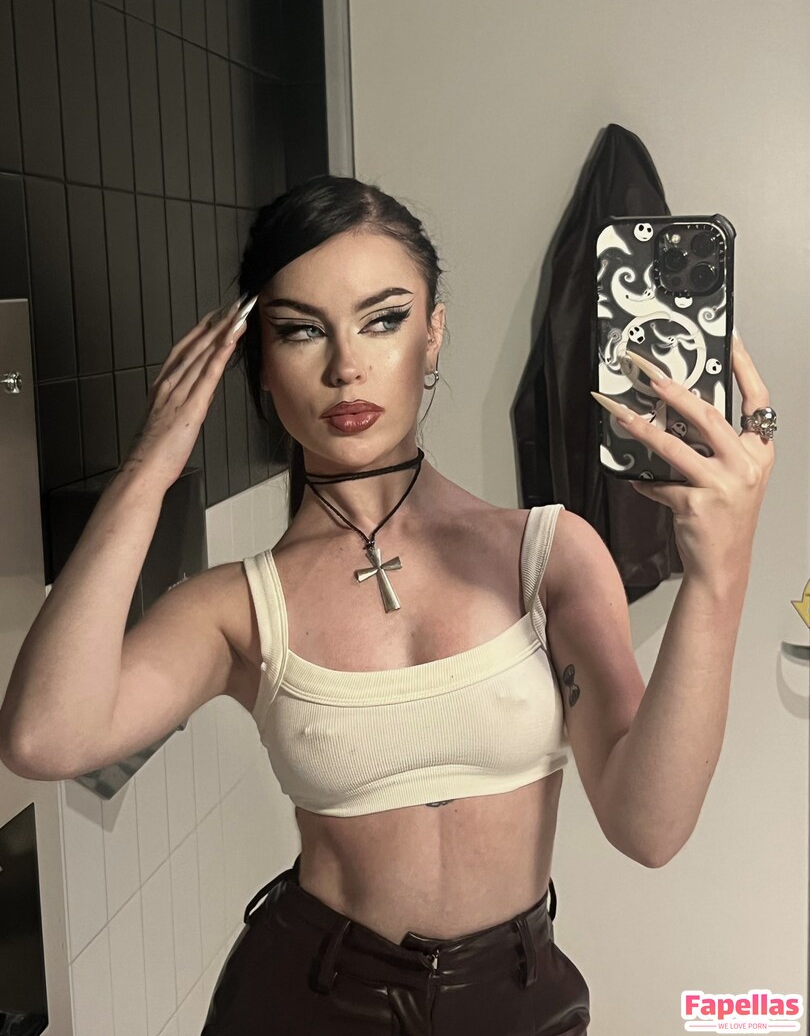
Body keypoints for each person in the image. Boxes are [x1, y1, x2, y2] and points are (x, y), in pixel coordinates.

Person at [0, 176, 775, 1036]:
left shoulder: (548, 556)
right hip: (305, 1001)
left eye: (383, 319)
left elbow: (649, 827)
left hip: (518, 1002)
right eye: (301, 330)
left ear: (432, 332)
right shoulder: (238, 608)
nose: (345, 367)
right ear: (259, 362)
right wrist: (151, 465)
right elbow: (44, 738)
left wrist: (721, 573)